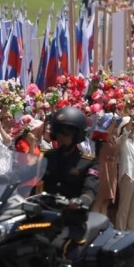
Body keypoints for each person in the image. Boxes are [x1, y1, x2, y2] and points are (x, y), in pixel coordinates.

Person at [40, 107, 99, 255]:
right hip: (46, 215)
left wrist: (81, 202)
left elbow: (90, 189)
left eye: (67, 132)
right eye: (59, 131)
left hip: (72, 219)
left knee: (59, 248)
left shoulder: (88, 162)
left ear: (77, 135)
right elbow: (30, 180)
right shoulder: (47, 157)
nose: (61, 136)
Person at [114, 116, 134, 233]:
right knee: (124, 207)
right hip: (127, 175)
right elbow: (126, 132)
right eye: (132, 126)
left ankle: (131, 231)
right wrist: (132, 118)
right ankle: (120, 230)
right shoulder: (122, 140)